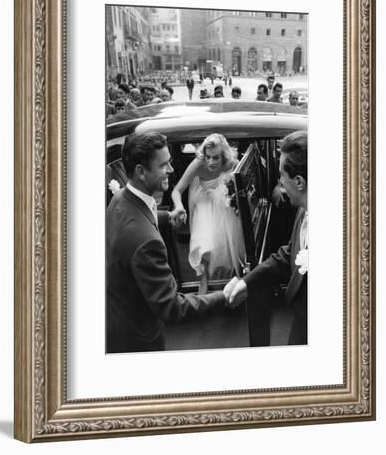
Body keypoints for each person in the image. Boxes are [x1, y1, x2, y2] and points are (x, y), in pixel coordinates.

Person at [106, 132, 226, 353]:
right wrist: (222, 296)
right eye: (164, 165)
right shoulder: (146, 243)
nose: (171, 169)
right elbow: (172, 307)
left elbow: (141, 217)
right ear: (141, 172)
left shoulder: (120, 198)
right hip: (139, 339)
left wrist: (166, 216)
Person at [223, 130, 308, 345]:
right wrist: (246, 283)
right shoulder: (303, 211)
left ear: (299, 182)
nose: (280, 182)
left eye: (281, 176)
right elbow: (289, 254)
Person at [171, 134, 246, 295]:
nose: (210, 162)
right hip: (202, 197)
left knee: (229, 235)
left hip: (223, 198)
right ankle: (203, 279)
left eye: (216, 158)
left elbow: (245, 181)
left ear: (224, 156)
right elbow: (177, 190)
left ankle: (236, 277)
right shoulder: (198, 163)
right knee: (205, 240)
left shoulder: (232, 163)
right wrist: (179, 205)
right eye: (208, 157)